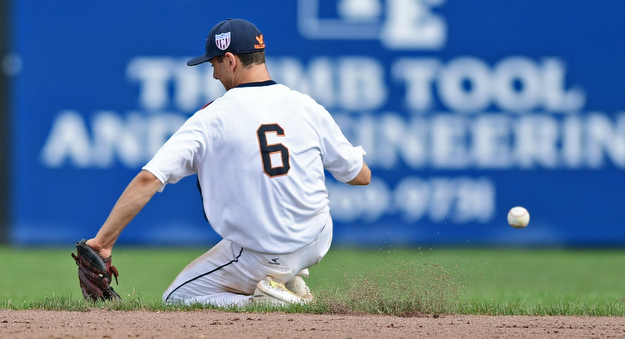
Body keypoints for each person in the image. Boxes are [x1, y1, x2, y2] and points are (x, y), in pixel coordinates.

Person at [84, 18, 371, 306]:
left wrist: (104, 242)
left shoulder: (212, 118)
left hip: (264, 255)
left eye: (214, 65)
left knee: (176, 298)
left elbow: (149, 178)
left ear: (230, 60)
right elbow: (361, 176)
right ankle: (285, 278)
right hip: (318, 239)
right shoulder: (307, 106)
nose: (214, 75)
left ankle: (267, 301)